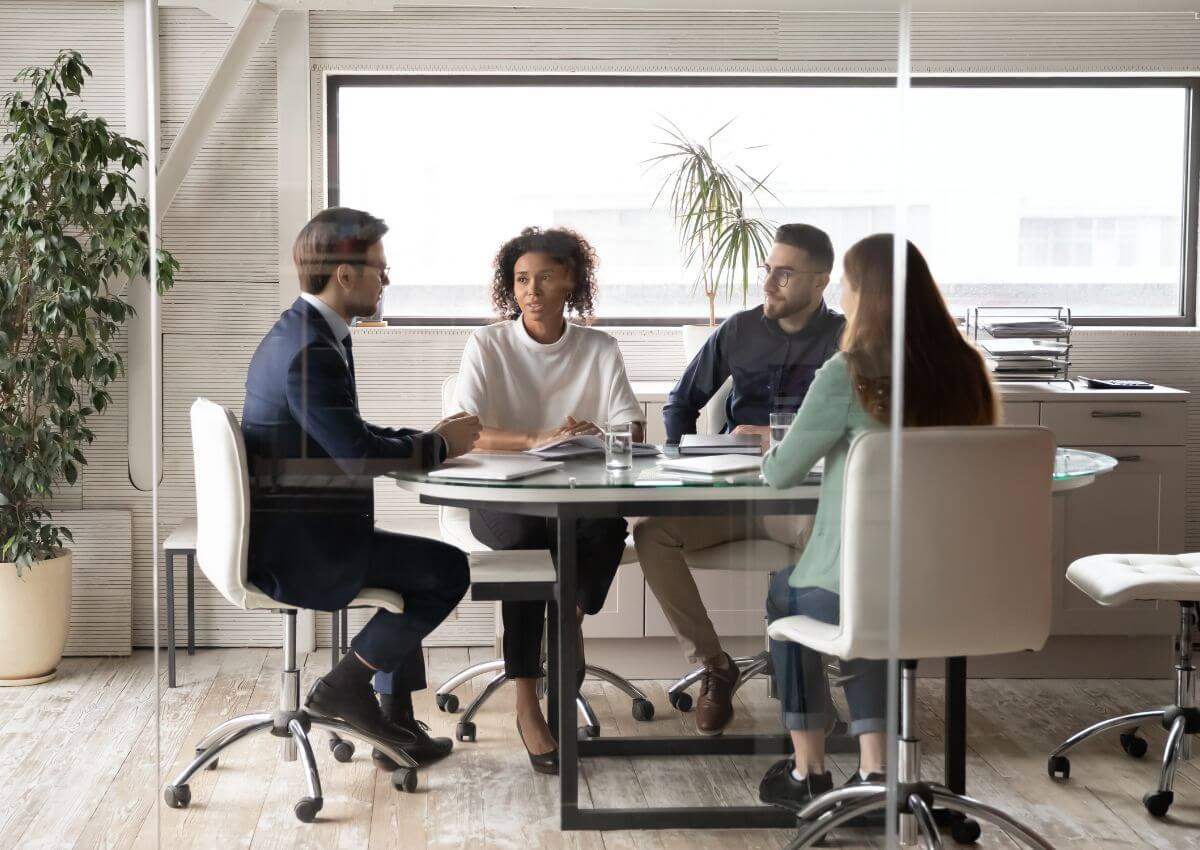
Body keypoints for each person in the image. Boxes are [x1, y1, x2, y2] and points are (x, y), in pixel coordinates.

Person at [757, 233, 998, 811]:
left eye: (847, 281)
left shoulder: (849, 373)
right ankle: (874, 771)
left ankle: (808, 769)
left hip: (865, 588)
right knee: (874, 598)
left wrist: (773, 445)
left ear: (864, 293)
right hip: (952, 586)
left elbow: (781, 473)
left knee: (792, 593)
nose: (842, 291)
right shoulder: (968, 368)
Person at [242, 207, 481, 767]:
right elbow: (355, 456)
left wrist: (427, 438)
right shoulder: (310, 353)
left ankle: (391, 723)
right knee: (446, 570)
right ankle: (344, 689)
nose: (386, 279)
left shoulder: (307, 334)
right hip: (304, 550)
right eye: (379, 267)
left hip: (301, 531)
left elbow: (348, 435)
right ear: (345, 274)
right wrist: (439, 448)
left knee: (417, 565)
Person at [633, 223, 844, 735]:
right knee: (652, 533)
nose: (768, 284)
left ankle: (804, 697)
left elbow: (868, 422)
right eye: (767, 271)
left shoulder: (846, 338)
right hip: (731, 492)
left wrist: (789, 437)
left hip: (797, 499)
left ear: (820, 282)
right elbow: (681, 402)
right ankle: (713, 666)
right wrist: (682, 463)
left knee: (822, 545)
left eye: (784, 274)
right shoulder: (739, 330)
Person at [453, 226, 645, 775]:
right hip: (501, 496)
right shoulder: (487, 346)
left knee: (607, 524)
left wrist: (598, 433)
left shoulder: (599, 348)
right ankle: (525, 701)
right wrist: (538, 439)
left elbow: (632, 423)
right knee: (526, 549)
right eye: (520, 280)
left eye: (544, 278)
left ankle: (572, 616)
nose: (531, 290)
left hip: (577, 494)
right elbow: (466, 431)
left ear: (571, 282)